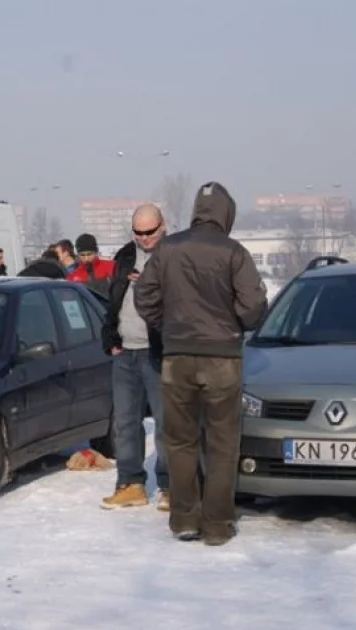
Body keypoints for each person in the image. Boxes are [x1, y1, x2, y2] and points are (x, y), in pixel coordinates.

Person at [134, 181, 267, 546]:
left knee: (180, 441)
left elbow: (143, 296)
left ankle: (184, 519)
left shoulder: (167, 248)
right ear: (226, 214)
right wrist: (231, 325)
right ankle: (218, 524)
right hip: (222, 358)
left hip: (177, 357)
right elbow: (253, 307)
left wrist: (169, 327)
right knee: (222, 444)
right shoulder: (234, 252)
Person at [99, 204, 168, 511]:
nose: (144, 238)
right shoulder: (125, 255)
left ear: (162, 226)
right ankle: (130, 484)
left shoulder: (173, 256)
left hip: (158, 352)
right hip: (125, 351)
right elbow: (113, 298)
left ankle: (171, 486)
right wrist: (109, 335)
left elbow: (181, 302)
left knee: (167, 423)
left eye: (149, 232)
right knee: (125, 422)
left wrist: (152, 287)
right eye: (138, 233)